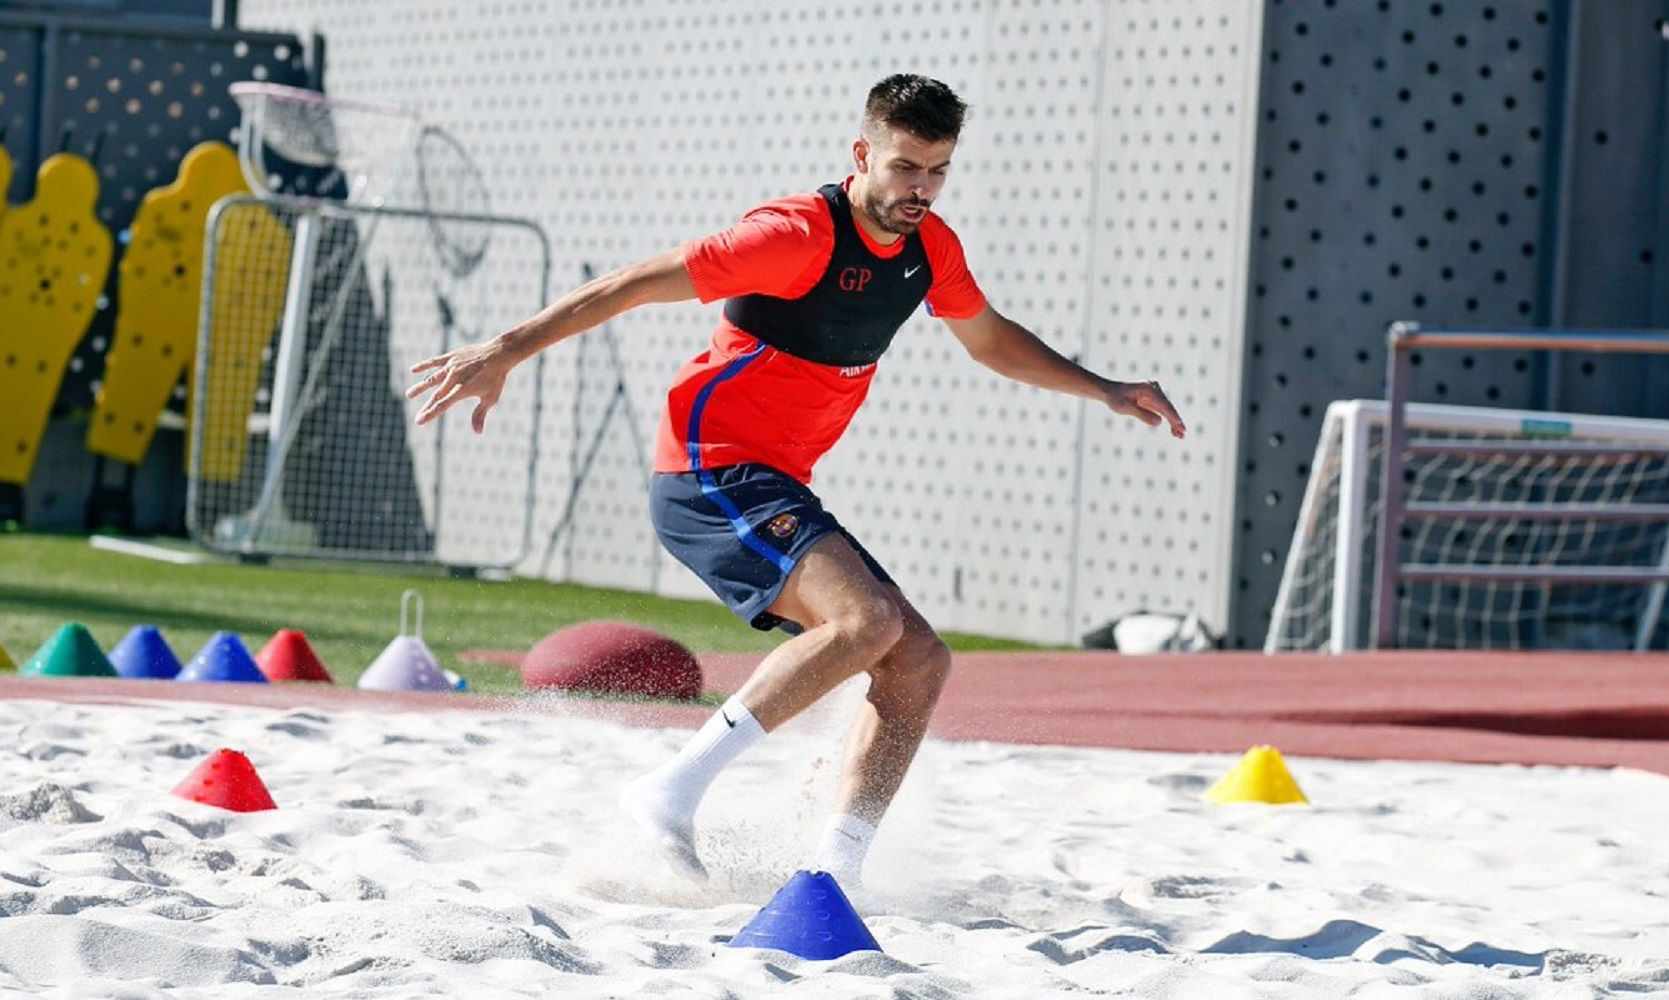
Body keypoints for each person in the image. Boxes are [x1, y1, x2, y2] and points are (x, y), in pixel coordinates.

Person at [406, 74, 1185, 889]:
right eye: (903, 167)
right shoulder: (792, 234)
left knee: (917, 658)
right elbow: (636, 282)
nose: (919, 188)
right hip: (708, 469)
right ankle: (668, 793)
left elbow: (987, 339)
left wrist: (1102, 387)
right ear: (862, 154)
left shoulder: (930, 249)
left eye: (938, 170)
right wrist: (505, 348)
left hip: (778, 482)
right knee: (865, 621)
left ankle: (832, 870)